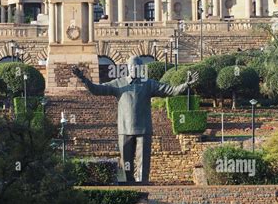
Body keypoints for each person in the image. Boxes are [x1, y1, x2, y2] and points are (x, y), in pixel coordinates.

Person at [72, 56, 198, 184]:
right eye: (132, 66)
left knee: (143, 161)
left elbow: (170, 90)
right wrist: (83, 79)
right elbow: (96, 89)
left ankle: (143, 184)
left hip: (143, 129)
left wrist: (186, 84)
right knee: (127, 162)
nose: (134, 69)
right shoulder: (119, 83)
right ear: (128, 68)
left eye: (137, 66)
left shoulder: (148, 84)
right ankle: (129, 185)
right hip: (125, 129)